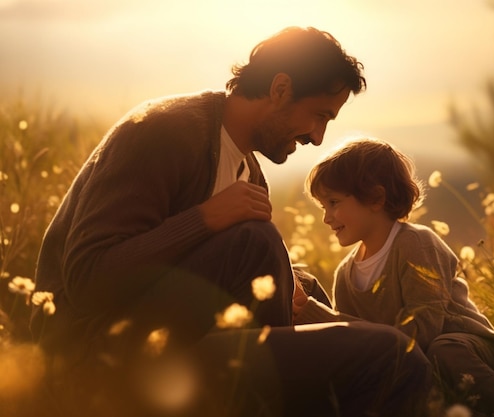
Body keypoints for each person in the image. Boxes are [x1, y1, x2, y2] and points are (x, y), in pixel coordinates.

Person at [30, 28, 431, 417]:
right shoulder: (166, 130)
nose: (319, 137)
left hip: (183, 350)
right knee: (389, 352)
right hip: (98, 360)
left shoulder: (249, 173)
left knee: (381, 347)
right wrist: (205, 218)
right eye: (318, 115)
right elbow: (86, 279)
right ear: (280, 89)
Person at [296, 138, 494, 416]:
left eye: (333, 202)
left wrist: (321, 316)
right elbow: (354, 344)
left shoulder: (417, 245)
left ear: (376, 198)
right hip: (409, 360)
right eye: (322, 207)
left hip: (462, 344)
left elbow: (422, 331)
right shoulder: (345, 275)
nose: (326, 217)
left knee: (444, 350)